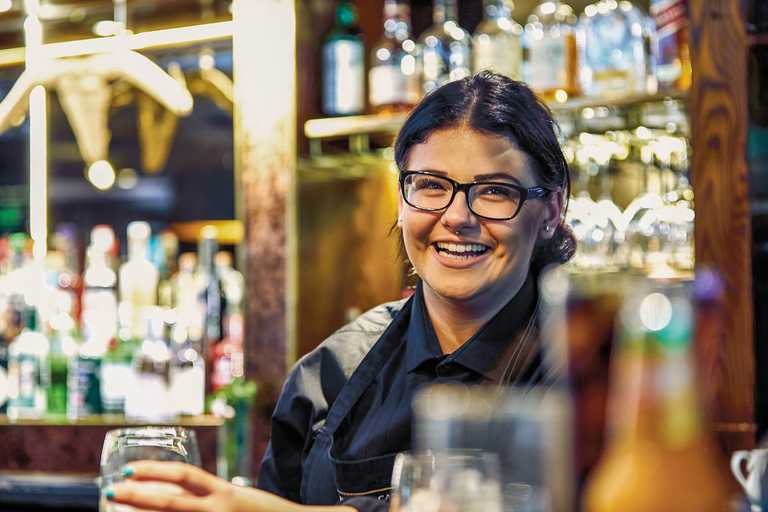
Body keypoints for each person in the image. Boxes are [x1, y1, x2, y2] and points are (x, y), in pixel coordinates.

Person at [107, 71, 575, 512]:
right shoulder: (333, 370)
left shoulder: (586, 368)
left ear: (551, 209)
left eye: (494, 191)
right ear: (400, 197)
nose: (456, 216)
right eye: (430, 185)